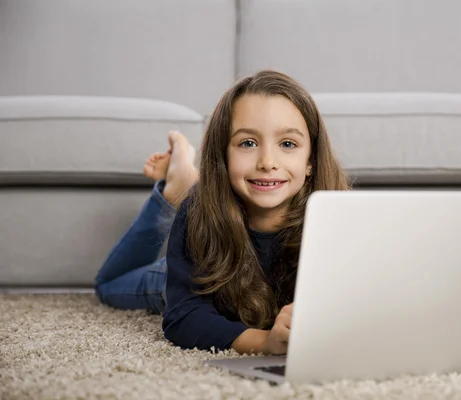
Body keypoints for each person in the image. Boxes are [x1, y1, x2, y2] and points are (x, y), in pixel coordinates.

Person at [97, 70, 350, 356]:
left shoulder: (338, 219)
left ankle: (183, 182)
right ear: (223, 156)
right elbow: (183, 317)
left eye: (288, 144)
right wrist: (264, 341)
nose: (268, 162)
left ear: (311, 161)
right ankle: (172, 193)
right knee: (107, 287)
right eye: (248, 143)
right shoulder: (199, 213)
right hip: (197, 275)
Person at [94, 131, 199, 313]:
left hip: (205, 270)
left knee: (108, 284)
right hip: (211, 274)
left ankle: (178, 199)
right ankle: (185, 196)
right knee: (107, 286)